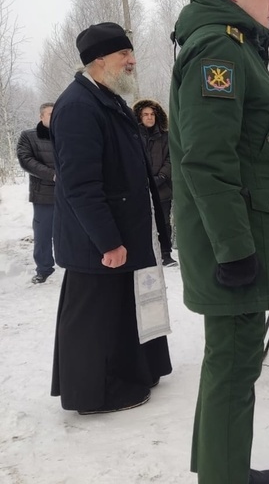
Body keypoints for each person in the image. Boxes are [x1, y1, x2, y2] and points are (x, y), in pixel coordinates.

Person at [169, 0, 269, 481]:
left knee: (231, 366)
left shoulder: (234, 45)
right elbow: (207, 161)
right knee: (231, 365)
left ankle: (224, 469)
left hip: (241, 238)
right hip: (234, 246)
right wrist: (232, 249)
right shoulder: (220, 50)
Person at [49, 22, 172, 415]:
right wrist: (108, 241)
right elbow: (80, 185)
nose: (132, 60)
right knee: (94, 321)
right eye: (124, 55)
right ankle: (96, 393)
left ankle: (136, 371)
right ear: (99, 60)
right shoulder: (77, 107)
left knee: (124, 309)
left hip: (122, 229)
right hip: (96, 241)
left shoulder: (109, 98)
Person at [134, 99, 177, 266]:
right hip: (140, 187)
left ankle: (166, 253)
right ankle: (143, 253)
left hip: (162, 187)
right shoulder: (133, 135)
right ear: (139, 116)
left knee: (164, 222)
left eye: (152, 114)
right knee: (140, 221)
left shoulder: (166, 137)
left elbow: (171, 158)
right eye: (145, 114)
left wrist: (161, 177)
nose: (149, 117)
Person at [16, 102, 56, 284]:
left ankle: (74, 264)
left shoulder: (66, 135)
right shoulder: (29, 136)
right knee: (43, 234)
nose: (54, 117)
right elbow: (26, 160)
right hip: (44, 194)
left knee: (75, 231)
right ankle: (44, 268)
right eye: (49, 114)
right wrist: (52, 175)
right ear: (41, 116)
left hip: (69, 193)